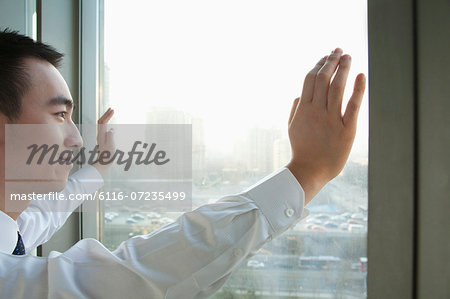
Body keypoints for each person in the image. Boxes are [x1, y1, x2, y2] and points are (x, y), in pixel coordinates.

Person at [0, 29, 365, 298]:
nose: (77, 138)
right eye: (60, 114)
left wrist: (97, 169)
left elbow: (41, 217)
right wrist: (306, 173)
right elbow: (133, 276)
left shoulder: (12, 228)